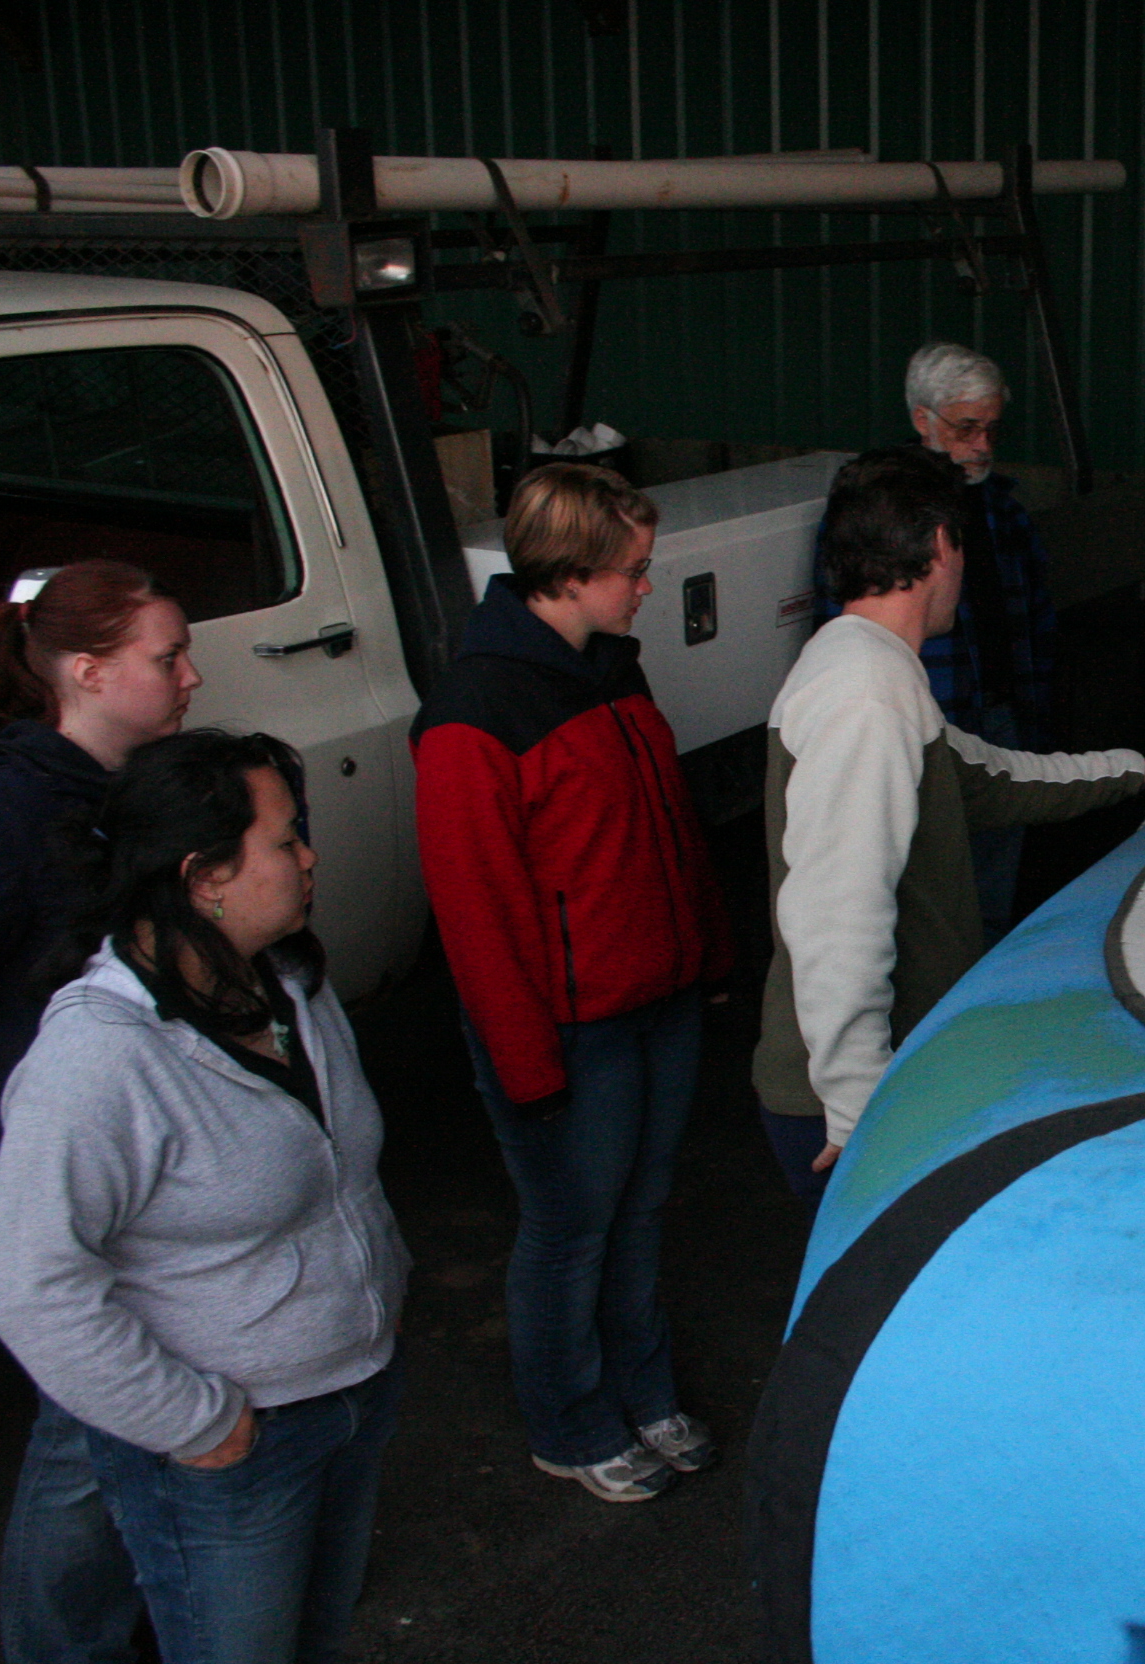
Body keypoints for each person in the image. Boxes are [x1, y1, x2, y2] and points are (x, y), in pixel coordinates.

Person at [0, 730, 407, 1664]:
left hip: (350, 1395)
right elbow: (28, 1287)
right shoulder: (95, 1060)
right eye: (285, 840)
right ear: (204, 875)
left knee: (315, 1638)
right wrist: (198, 1422)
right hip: (231, 1451)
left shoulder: (285, 979)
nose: (309, 857)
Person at [755, 446, 1145, 1192]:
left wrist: (1134, 770)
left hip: (877, 1080)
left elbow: (987, 779)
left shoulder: (868, 665)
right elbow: (838, 915)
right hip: (853, 1106)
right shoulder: (865, 697)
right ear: (941, 545)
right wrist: (859, 1107)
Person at [411, 462, 733, 1504]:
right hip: (572, 1031)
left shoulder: (613, 670)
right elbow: (476, 912)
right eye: (633, 569)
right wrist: (527, 1063)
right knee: (570, 1230)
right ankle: (570, 1421)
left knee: (639, 1213)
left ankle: (644, 1392)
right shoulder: (471, 712)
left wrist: (706, 954)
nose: (647, 585)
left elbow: (668, 828)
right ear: (570, 572)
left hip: (656, 1002)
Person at [0, 559, 200, 1664]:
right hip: (65, 1169)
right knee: (88, 1426)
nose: (192, 675)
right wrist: (3, 1146)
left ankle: (143, 1613)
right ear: (86, 671)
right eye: (168, 656)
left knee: (143, 1405)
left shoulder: (125, 789)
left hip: (149, 1160)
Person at [819, 342, 1061, 942]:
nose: (981, 445)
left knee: (993, 886)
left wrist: (1037, 717)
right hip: (923, 721)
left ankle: (982, 975)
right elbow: (842, 621)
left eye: (992, 429)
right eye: (966, 427)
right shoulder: (874, 508)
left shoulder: (1004, 509)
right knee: (925, 889)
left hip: (1002, 719)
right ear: (922, 419)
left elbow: (1037, 620)